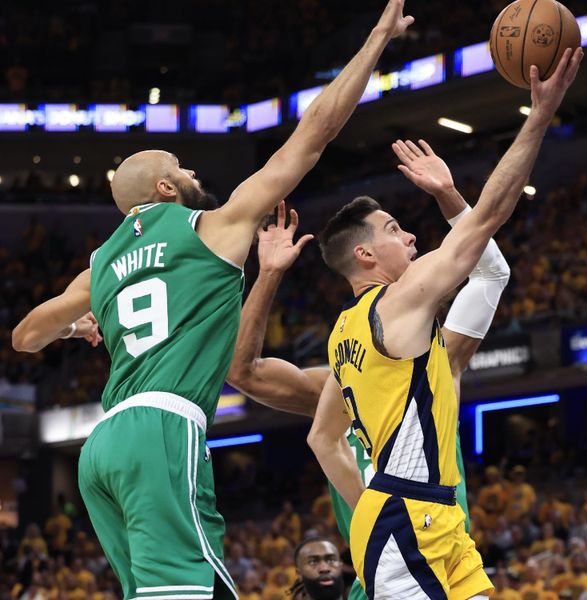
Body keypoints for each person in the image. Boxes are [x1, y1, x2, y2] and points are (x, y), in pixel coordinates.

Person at [10, 2, 414, 598]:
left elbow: (24, 336)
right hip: (162, 428)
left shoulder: (99, 265)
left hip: (100, 449)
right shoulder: (210, 228)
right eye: (181, 166)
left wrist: (76, 329)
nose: (192, 169)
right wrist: (377, 39)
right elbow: (314, 133)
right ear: (167, 189)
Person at [308, 49, 582, 600]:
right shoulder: (397, 301)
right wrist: (539, 116)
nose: (410, 237)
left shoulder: (345, 335)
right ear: (365, 254)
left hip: (428, 517)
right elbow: (489, 218)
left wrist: (367, 502)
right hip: (408, 519)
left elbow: (322, 436)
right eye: (394, 228)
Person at [226, 136, 514, 600]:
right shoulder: (343, 369)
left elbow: (491, 272)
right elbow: (245, 372)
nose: (412, 240)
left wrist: (448, 194)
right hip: (386, 544)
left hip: (441, 537)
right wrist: (270, 275)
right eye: (396, 230)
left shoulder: (445, 354)